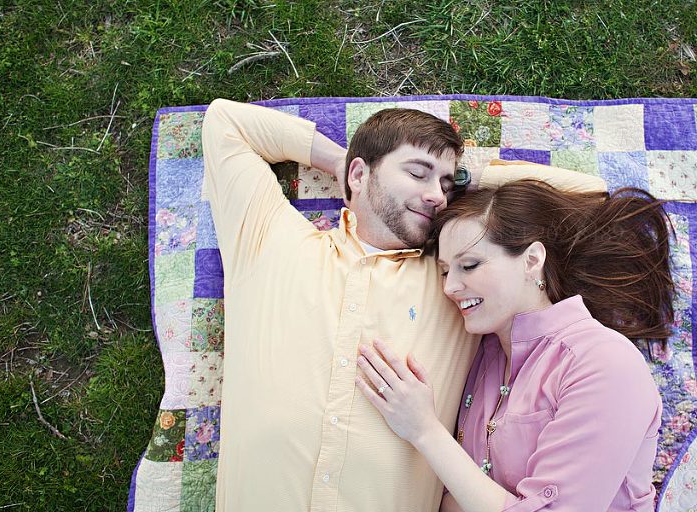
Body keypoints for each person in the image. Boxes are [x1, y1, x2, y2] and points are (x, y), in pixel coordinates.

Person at [201, 99, 606, 512]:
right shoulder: (270, 239)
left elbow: (593, 197)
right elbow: (225, 122)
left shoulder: (455, 282)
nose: (437, 197)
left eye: (448, 185)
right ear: (360, 173)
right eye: (417, 173)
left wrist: (473, 180)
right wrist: (341, 164)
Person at [356, 180, 674, 511]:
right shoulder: (482, 356)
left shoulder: (604, 362)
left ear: (532, 260)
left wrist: (424, 430)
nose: (450, 287)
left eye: (469, 265)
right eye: (445, 271)